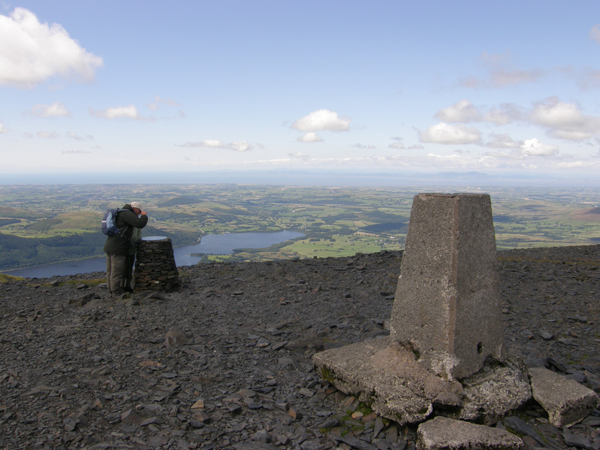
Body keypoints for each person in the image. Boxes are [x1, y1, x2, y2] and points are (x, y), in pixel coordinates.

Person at [103, 202, 148, 296]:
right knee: (117, 271)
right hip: (118, 248)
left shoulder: (120, 213)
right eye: (139, 211)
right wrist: (144, 216)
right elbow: (140, 223)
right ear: (135, 208)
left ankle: (112, 290)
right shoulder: (127, 214)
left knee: (110, 271)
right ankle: (117, 292)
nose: (139, 214)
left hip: (110, 246)